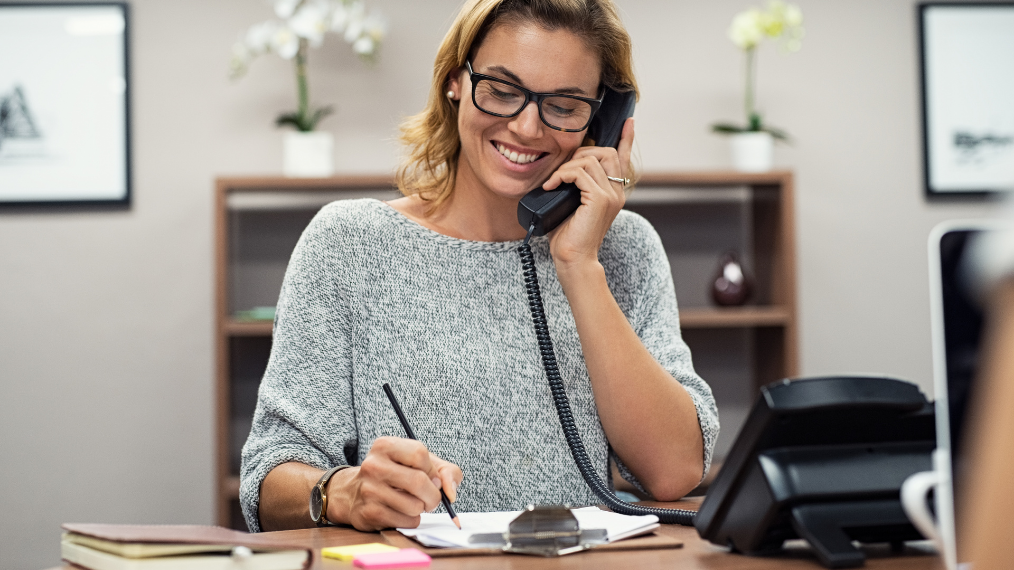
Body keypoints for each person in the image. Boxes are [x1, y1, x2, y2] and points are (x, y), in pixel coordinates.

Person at [240, 0, 719, 533]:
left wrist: (579, 264)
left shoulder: (623, 248)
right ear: (455, 81)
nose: (528, 126)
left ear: (604, 119)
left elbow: (673, 471)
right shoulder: (348, 243)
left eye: (563, 104)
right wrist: (341, 493)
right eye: (502, 90)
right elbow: (266, 477)